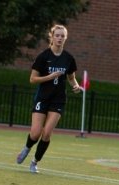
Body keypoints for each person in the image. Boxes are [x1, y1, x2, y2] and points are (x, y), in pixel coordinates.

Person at [16, 24, 81, 173]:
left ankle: (35, 162)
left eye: (62, 36)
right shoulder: (43, 56)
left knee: (46, 134)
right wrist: (49, 77)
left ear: (65, 38)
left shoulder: (68, 58)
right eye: (57, 35)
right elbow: (32, 79)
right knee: (36, 133)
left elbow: (71, 78)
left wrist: (75, 86)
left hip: (58, 100)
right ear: (51, 37)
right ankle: (27, 147)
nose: (59, 38)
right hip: (43, 98)